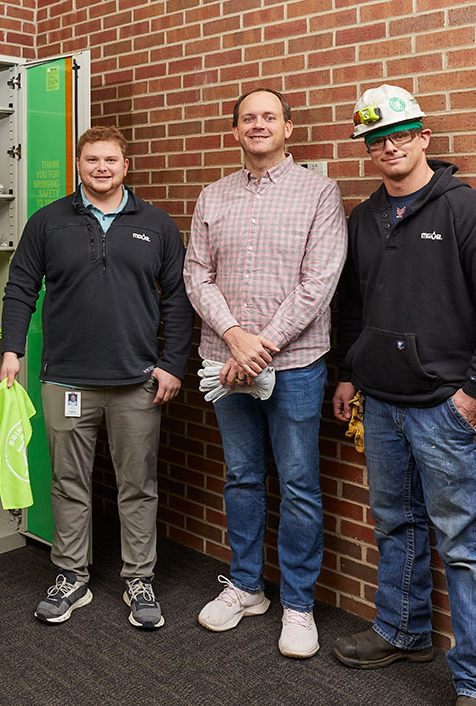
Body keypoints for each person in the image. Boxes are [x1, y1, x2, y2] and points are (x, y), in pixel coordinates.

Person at [331, 84, 476, 706]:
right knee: (396, 524)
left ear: (424, 138)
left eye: (400, 134)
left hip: (447, 405)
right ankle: (403, 629)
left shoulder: (469, 211)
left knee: (463, 543)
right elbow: (354, 307)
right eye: (376, 139)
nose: (388, 146)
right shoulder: (363, 219)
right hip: (382, 403)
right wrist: (347, 372)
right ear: (369, 150)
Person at [0, 125, 193, 630]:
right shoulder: (48, 223)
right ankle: (70, 576)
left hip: (136, 381)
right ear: (79, 166)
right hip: (66, 379)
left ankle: (139, 579)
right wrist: (12, 351)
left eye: (111, 160)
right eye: (92, 160)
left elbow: (177, 299)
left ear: (125, 166)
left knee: (137, 484)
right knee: (68, 482)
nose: (101, 168)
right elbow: (20, 287)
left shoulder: (157, 225)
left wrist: (173, 364)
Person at [183, 88, 347, 658]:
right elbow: (196, 274)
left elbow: (319, 280)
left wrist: (265, 344)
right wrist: (234, 337)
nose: (259, 125)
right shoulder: (213, 195)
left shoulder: (320, 192)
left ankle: (298, 605)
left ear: (289, 128)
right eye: (248, 118)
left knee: (299, 484)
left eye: (269, 117)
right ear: (235, 131)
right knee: (242, 477)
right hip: (224, 361)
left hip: (297, 364)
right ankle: (247, 587)